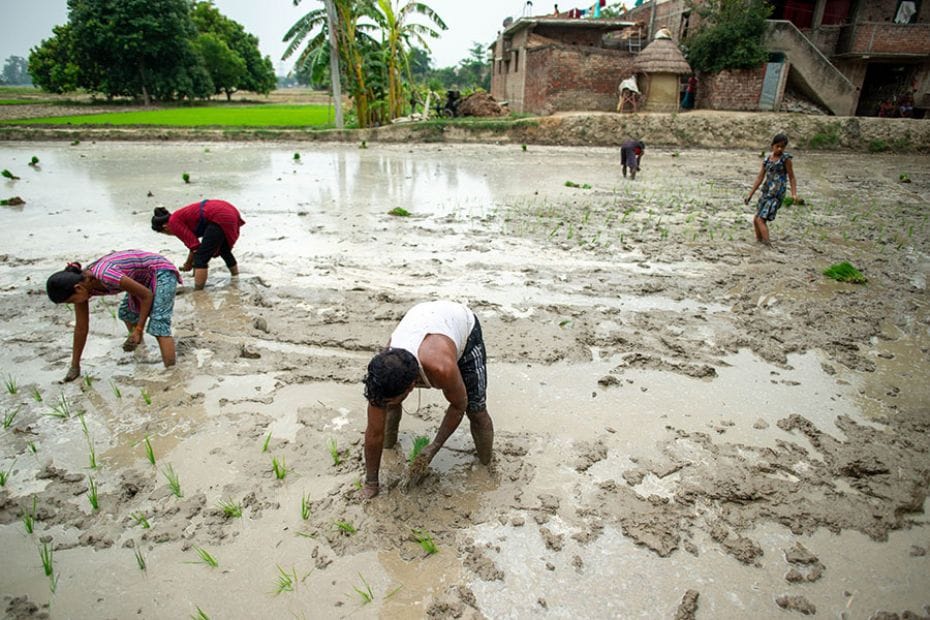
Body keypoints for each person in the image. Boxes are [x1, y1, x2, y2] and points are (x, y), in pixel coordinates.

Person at [360, 300, 494, 499]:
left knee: (475, 409)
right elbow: (373, 433)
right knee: (388, 407)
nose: (382, 404)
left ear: (411, 387)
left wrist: (434, 447)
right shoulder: (383, 373)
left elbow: (459, 404)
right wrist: (372, 483)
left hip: (461, 324)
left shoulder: (441, 368)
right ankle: (389, 446)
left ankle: (486, 465)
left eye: (392, 399)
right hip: (422, 317)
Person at [46, 250, 181, 382]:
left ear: (78, 288)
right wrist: (75, 366)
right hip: (140, 278)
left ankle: (172, 374)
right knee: (127, 313)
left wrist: (139, 329)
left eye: (71, 301)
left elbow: (146, 296)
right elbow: (81, 328)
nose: (73, 304)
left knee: (159, 324)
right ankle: (141, 350)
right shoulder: (83, 285)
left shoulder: (105, 275)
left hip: (160, 271)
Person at [151, 199, 244, 290]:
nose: (171, 234)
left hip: (219, 215)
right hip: (230, 212)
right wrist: (190, 264)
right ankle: (235, 277)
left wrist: (188, 263)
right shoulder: (178, 217)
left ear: (165, 227)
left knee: (201, 258)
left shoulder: (173, 222)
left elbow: (195, 247)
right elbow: (194, 248)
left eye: (166, 233)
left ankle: (198, 291)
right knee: (224, 250)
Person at [745, 133, 798, 245]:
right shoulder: (767, 160)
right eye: (777, 146)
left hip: (776, 194)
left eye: (782, 147)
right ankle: (759, 243)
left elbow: (792, 177)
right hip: (766, 191)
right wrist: (750, 194)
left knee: (761, 220)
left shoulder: (786, 159)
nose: (779, 149)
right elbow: (760, 177)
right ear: (772, 145)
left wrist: (794, 194)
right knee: (756, 219)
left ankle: (767, 245)